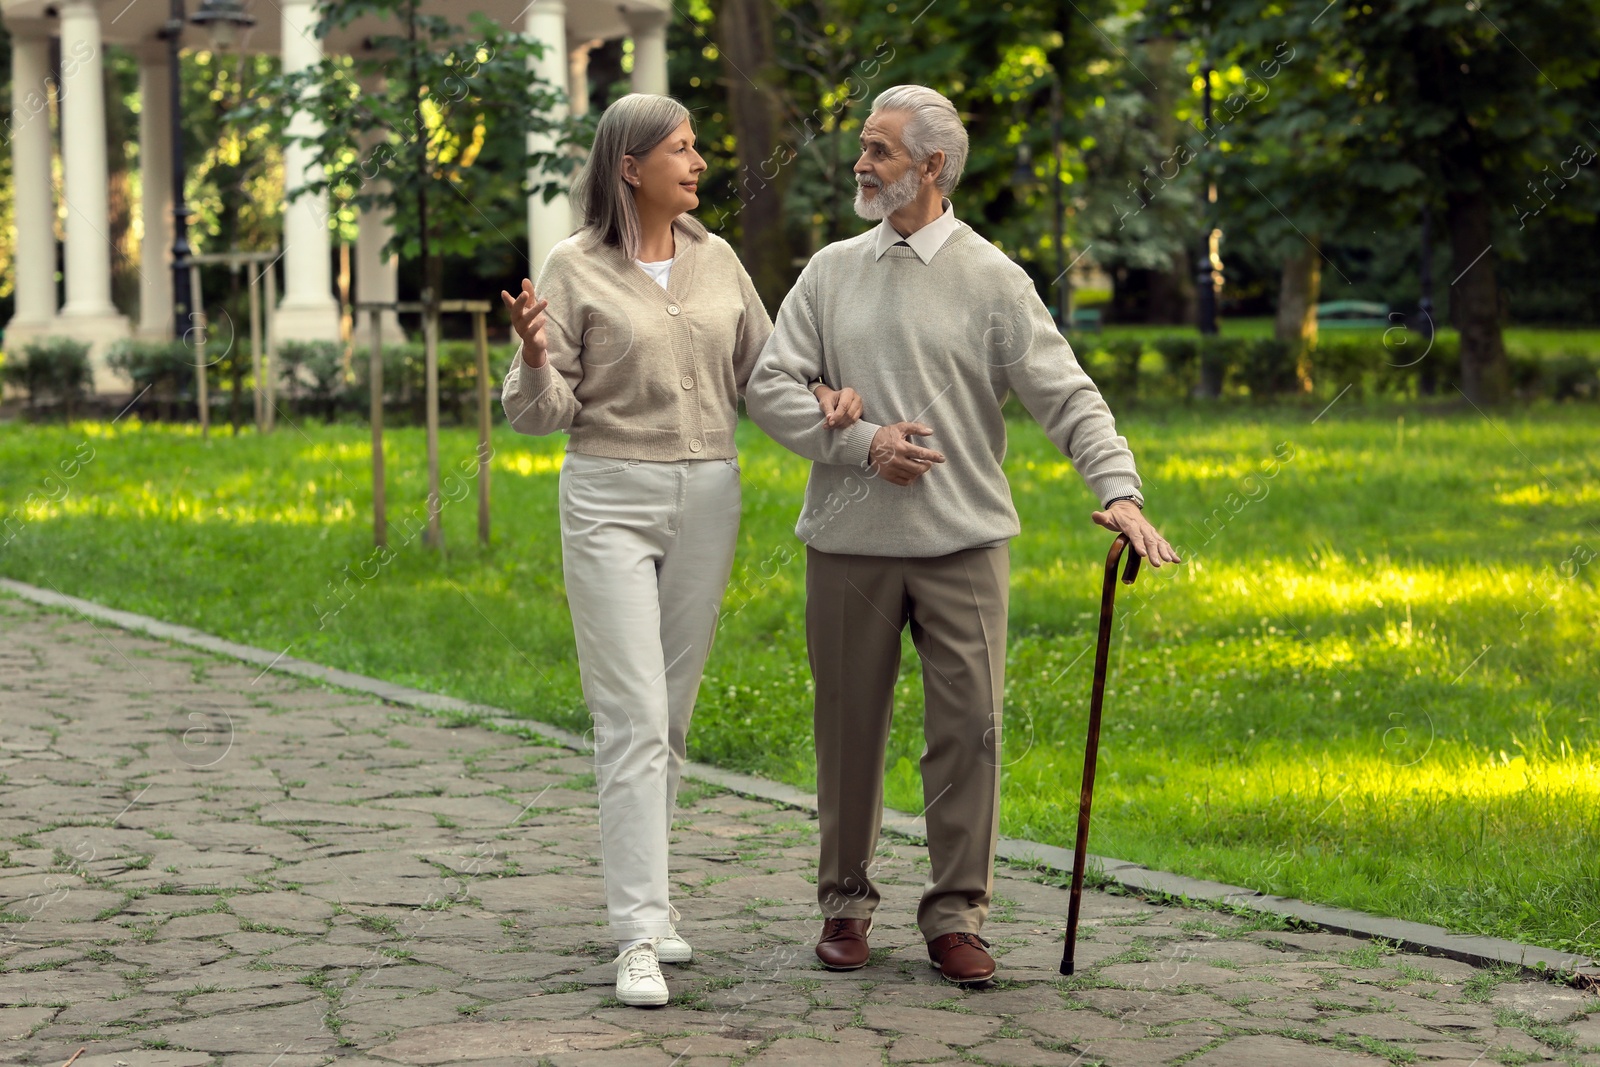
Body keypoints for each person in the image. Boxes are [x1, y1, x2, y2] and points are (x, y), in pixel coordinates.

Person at [745, 85, 1181, 986]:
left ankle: (955, 914)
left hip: (964, 545)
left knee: (970, 735)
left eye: (879, 150)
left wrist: (1122, 492)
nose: (860, 163)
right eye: (863, 147)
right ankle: (845, 901)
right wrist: (861, 441)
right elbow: (770, 387)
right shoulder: (829, 271)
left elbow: (1066, 395)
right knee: (847, 729)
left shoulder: (993, 279)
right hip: (847, 543)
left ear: (933, 166)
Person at [497, 93, 842, 1007]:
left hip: (710, 496)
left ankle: (653, 902)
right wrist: (532, 358)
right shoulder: (572, 267)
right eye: (680, 149)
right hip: (609, 494)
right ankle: (638, 932)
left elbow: (764, 382)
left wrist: (839, 425)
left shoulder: (717, 258)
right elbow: (541, 417)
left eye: (697, 146)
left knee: (671, 716)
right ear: (628, 168)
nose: (698, 163)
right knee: (633, 716)